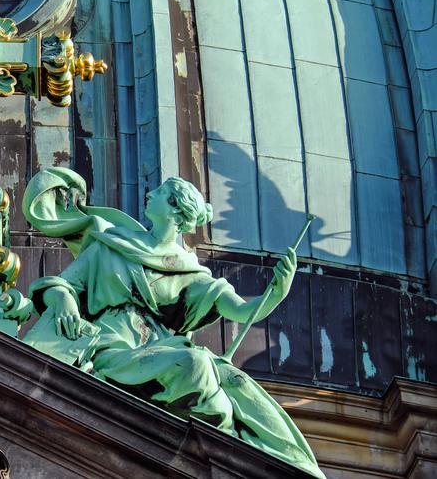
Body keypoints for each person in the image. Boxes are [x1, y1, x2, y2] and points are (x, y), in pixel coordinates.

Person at [23, 168, 324, 478]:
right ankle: (217, 439)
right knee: (196, 364)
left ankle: (272, 461)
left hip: (156, 349)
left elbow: (241, 310)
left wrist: (275, 295)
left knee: (236, 381)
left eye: (160, 193)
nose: (149, 194)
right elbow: (63, 285)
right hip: (110, 345)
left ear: (176, 211)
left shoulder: (188, 271)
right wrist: (65, 300)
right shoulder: (110, 244)